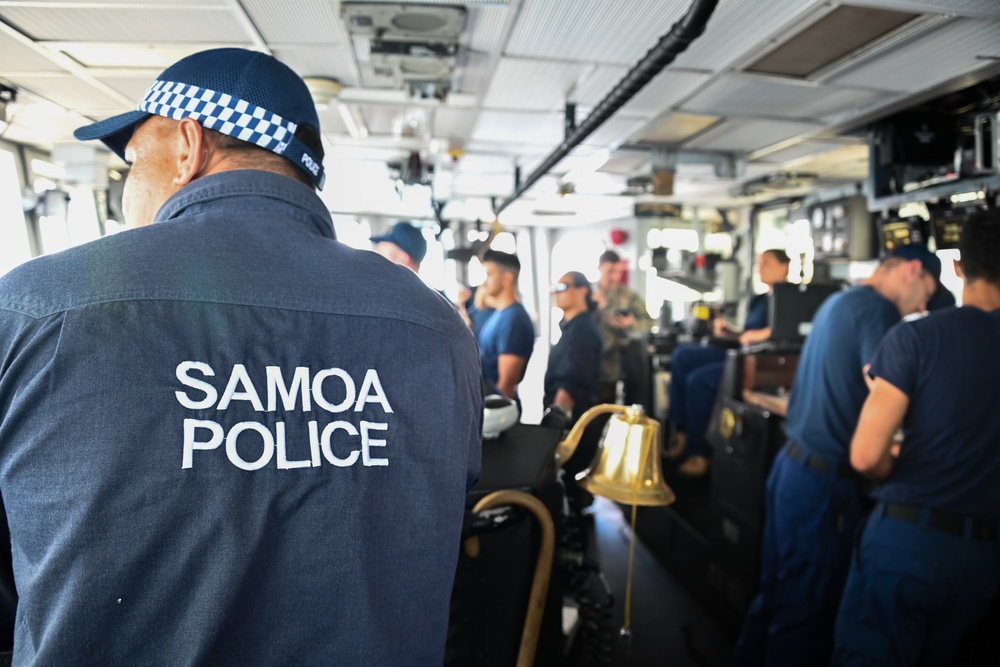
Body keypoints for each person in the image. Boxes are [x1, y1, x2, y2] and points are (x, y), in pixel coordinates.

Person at [0, 48, 482, 665]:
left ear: (186, 146)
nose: (128, 187)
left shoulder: (36, 307)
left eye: (131, 162)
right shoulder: (436, 327)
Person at [732, 243, 940, 667]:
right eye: (928, 292)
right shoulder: (878, 311)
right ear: (913, 270)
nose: (923, 305)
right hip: (822, 487)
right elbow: (881, 385)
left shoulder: (838, 301)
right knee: (805, 614)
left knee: (773, 597)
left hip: (791, 469)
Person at [832, 210, 1000, 667]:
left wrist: (898, 461)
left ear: (958, 267)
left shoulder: (915, 339)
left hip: (909, 543)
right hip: (984, 558)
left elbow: (866, 457)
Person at [666, 249, 790, 477]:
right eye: (758, 263)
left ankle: (700, 453)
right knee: (683, 355)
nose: (760, 268)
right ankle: (680, 432)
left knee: (699, 381)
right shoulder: (761, 299)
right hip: (739, 349)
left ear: (786, 266)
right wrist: (731, 331)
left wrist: (758, 335)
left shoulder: (792, 299)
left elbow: (784, 332)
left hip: (758, 361)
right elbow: (746, 333)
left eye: (767, 263)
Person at [593, 250, 654, 404]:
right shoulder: (586, 292)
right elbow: (567, 325)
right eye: (610, 272)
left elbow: (650, 323)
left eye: (618, 272)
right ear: (599, 268)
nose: (614, 277)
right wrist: (592, 308)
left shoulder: (629, 296)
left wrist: (630, 324)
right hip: (586, 364)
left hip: (613, 366)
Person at [544, 271, 603, 425]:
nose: (556, 293)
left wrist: (556, 427)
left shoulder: (582, 330)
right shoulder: (572, 328)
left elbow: (572, 384)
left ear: (582, 290)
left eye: (562, 287)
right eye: (555, 288)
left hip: (572, 423)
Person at [477, 249, 534, 403]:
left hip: (498, 411)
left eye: (489, 275)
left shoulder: (514, 319)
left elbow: (506, 385)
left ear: (507, 278)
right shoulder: (499, 314)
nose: (484, 282)